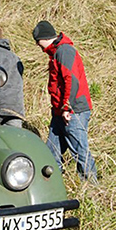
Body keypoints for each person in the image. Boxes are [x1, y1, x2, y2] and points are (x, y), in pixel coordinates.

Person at [32, 20, 96, 182]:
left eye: (38, 41)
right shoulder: (56, 53)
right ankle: (54, 185)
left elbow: (71, 80)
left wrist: (67, 107)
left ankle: (92, 188)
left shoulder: (64, 52)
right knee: (51, 151)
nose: (38, 46)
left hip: (73, 111)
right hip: (60, 112)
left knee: (79, 150)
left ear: (43, 38)